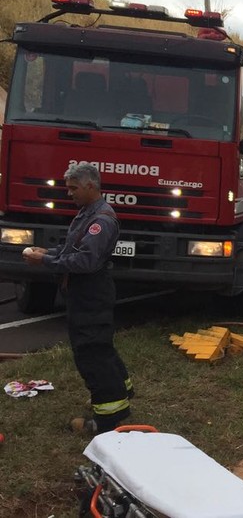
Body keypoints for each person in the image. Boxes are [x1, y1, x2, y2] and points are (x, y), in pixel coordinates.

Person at [23, 163, 132, 434]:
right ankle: (121, 392)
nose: (69, 193)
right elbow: (74, 247)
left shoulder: (101, 221)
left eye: (73, 188)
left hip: (91, 293)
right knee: (99, 346)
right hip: (86, 292)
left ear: (90, 186)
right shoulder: (87, 213)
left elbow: (85, 261)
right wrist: (49, 250)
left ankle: (108, 419)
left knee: (91, 352)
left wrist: (44, 260)